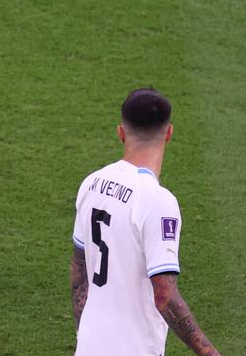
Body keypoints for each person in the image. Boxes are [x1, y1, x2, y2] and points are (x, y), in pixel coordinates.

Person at [70, 89, 219, 355]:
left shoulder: (91, 183)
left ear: (121, 132)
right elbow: (164, 295)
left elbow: (79, 273)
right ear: (170, 133)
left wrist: (87, 335)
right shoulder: (157, 201)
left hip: (88, 346)